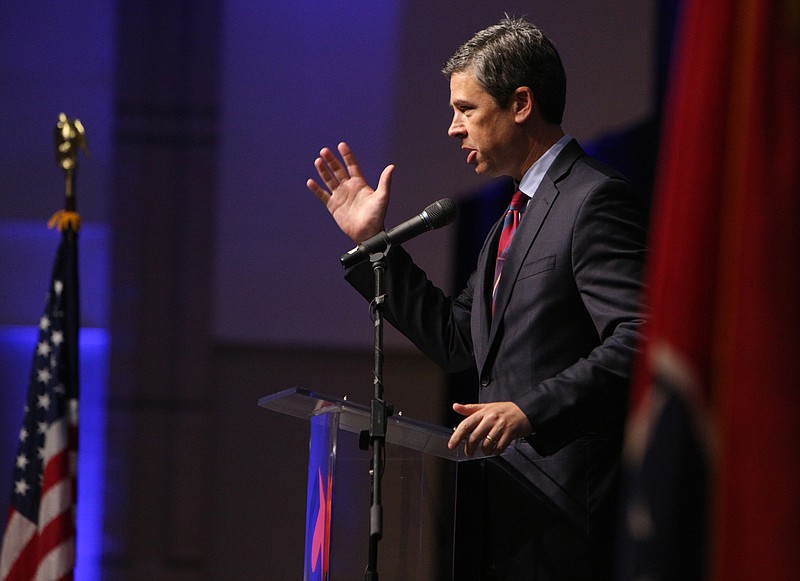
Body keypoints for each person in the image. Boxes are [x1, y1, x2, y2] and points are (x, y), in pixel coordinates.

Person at [306, 17, 647, 581]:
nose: (452, 129)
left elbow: (639, 338)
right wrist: (373, 244)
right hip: (507, 520)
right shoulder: (510, 220)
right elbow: (456, 340)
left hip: (574, 524)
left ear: (520, 103)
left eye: (466, 109)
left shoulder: (594, 201)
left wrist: (530, 411)